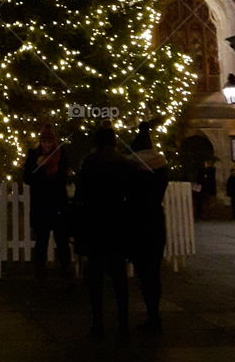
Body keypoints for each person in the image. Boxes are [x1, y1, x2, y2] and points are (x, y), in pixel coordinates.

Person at [74, 127, 134, 339]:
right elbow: (131, 193)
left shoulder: (90, 163)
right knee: (119, 276)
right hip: (117, 224)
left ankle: (98, 321)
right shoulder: (123, 162)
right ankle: (123, 322)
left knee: (96, 276)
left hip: (95, 223)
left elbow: (80, 194)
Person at [126, 122, 169, 332]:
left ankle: (151, 315)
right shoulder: (161, 169)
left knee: (143, 273)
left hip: (137, 222)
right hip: (156, 221)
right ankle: (155, 313)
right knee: (154, 271)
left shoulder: (133, 170)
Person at [23, 123, 71, 277]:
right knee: (41, 240)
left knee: (62, 240)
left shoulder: (61, 154)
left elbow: (63, 178)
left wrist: (53, 171)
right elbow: (27, 178)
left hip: (57, 204)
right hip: (41, 204)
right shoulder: (33, 155)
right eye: (44, 142)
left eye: (49, 142)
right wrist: (39, 168)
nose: (46, 145)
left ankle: (66, 270)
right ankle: (40, 271)